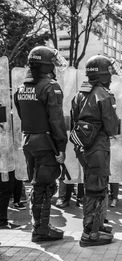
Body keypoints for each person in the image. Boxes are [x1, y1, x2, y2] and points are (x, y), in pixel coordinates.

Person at [14, 46, 68, 242]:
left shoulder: (21, 89)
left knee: (36, 185)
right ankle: (42, 229)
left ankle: (38, 225)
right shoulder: (50, 87)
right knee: (45, 186)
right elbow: (56, 121)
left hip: (28, 141)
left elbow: (22, 115)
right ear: (46, 65)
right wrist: (61, 147)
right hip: (47, 144)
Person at [70, 55, 121, 247]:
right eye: (109, 72)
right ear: (102, 74)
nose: (111, 76)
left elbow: (74, 120)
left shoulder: (80, 94)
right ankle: (90, 232)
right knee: (97, 188)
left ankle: (97, 225)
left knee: (92, 184)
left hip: (83, 147)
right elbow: (111, 127)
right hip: (98, 147)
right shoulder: (104, 95)